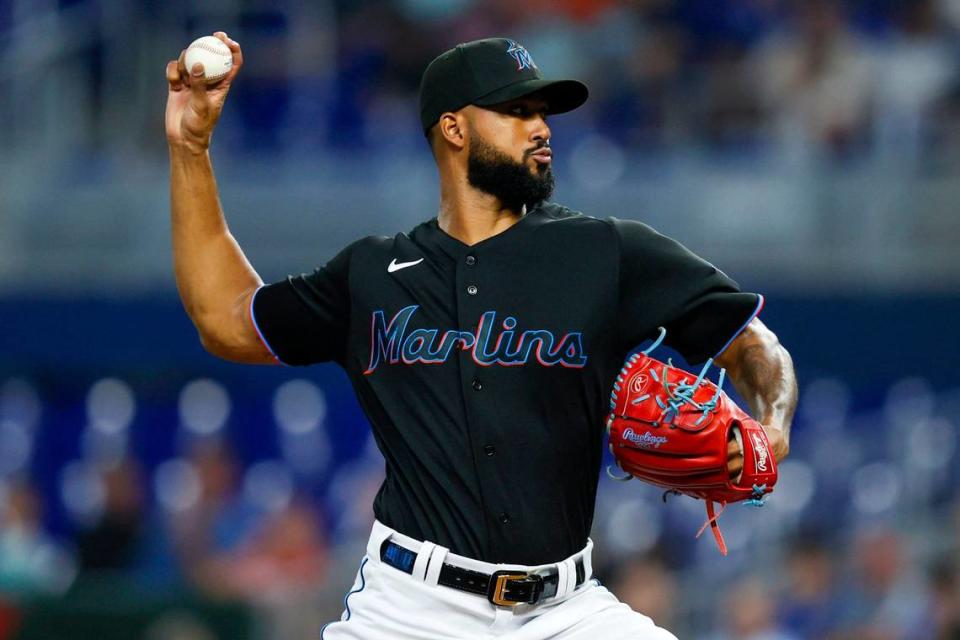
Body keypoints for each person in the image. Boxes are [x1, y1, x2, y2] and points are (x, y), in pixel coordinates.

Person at [165, 33, 798, 640]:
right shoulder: (372, 274)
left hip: (566, 611)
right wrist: (190, 147)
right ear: (454, 128)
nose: (541, 127)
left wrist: (772, 426)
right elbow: (227, 320)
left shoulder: (607, 251)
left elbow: (753, 344)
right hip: (409, 608)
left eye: (543, 112)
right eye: (516, 110)